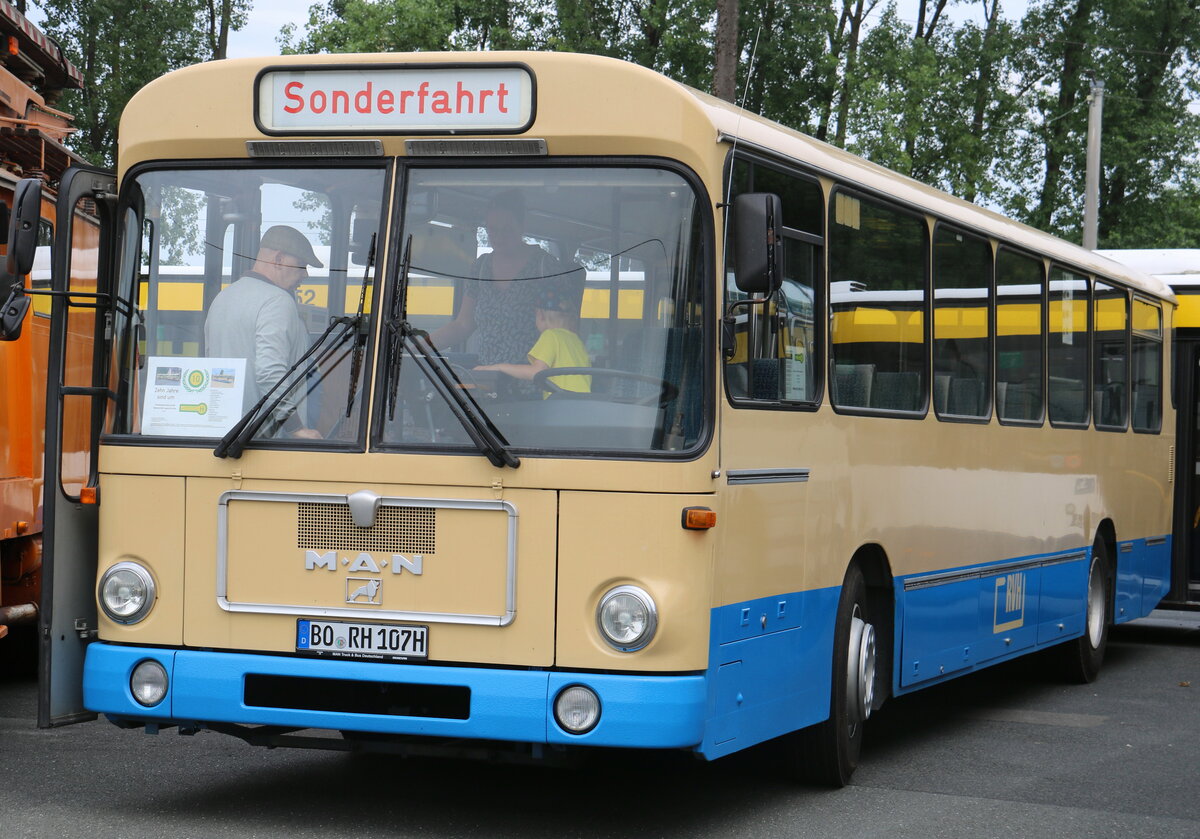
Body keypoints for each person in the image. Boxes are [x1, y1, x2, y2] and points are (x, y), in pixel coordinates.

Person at [204, 225, 323, 438]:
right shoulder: (277, 301)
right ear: (278, 259)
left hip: (229, 434)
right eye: (301, 265)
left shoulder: (223, 298)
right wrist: (297, 428)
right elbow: (270, 372)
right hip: (268, 441)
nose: (305, 274)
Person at [429, 190, 566, 366]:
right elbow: (463, 325)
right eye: (493, 230)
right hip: (486, 381)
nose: (499, 237)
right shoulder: (480, 268)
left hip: (532, 382)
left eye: (507, 230)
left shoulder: (544, 267)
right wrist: (417, 347)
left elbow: (560, 332)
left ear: (522, 226)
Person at [475, 283, 591, 395]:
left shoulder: (550, 336)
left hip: (561, 407)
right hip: (581, 406)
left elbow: (536, 372)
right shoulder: (576, 341)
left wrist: (499, 367)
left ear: (540, 314)